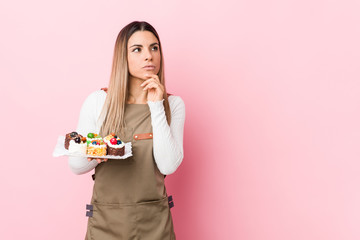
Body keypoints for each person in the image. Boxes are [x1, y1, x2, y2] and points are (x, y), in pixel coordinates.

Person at [68, 21, 185, 240]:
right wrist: (102, 151)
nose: (149, 56)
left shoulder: (174, 105)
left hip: (155, 225)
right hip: (106, 223)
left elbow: (168, 164)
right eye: (137, 49)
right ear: (123, 57)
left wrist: (156, 106)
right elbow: (76, 165)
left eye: (154, 47)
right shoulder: (98, 101)